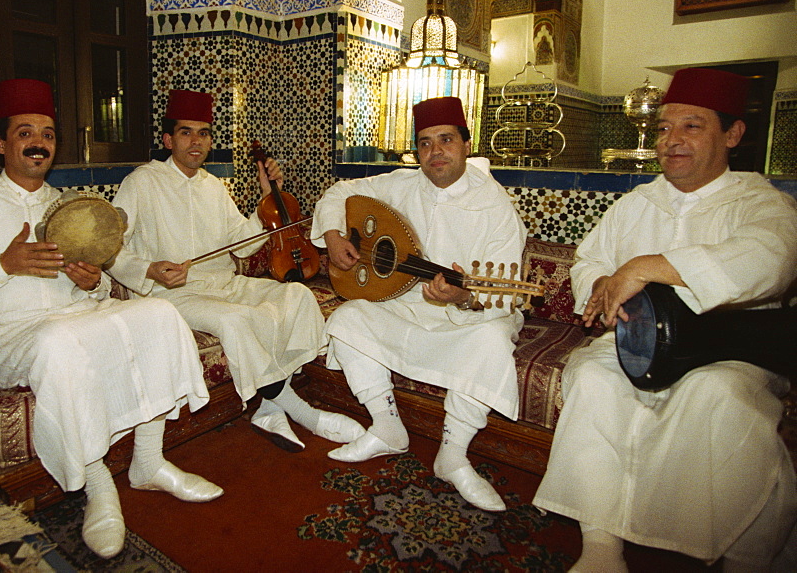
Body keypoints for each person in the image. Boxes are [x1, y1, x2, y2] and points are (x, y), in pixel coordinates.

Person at [0, 79, 223, 561]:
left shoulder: (67, 206)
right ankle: (98, 487)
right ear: (0, 143)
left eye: (48, 134)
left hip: (76, 313)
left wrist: (89, 281)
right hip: (8, 332)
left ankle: (149, 461)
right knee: (61, 341)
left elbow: (96, 282)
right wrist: (2, 265)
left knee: (159, 313)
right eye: (25, 132)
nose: (39, 142)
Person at [532, 67, 797, 572]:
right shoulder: (637, 203)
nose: (671, 141)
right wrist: (601, 292)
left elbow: (773, 259)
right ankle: (601, 546)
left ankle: (739, 551)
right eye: (663, 129)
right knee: (591, 378)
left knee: (717, 396)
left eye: (691, 127)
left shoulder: (762, 203)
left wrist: (646, 268)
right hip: (631, 345)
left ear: (733, 134)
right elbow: (590, 261)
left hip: (728, 352)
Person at [108, 89, 364, 452]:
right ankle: (296, 408)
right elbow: (110, 248)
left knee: (296, 295)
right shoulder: (141, 182)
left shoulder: (213, 186)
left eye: (204, 133)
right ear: (168, 139)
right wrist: (149, 269)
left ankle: (271, 407)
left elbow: (242, 245)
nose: (196, 141)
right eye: (186, 132)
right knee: (237, 321)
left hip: (223, 284)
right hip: (173, 295)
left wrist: (265, 200)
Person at [311, 96, 527, 512]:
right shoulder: (401, 183)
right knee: (349, 317)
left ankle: (453, 454)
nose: (435, 152)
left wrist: (464, 296)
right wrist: (335, 235)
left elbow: (505, 291)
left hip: (467, 314)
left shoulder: (496, 206)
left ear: (466, 144)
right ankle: (387, 426)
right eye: (425, 143)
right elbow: (340, 190)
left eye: (446, 140)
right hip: (404, 303)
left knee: (493, 341)